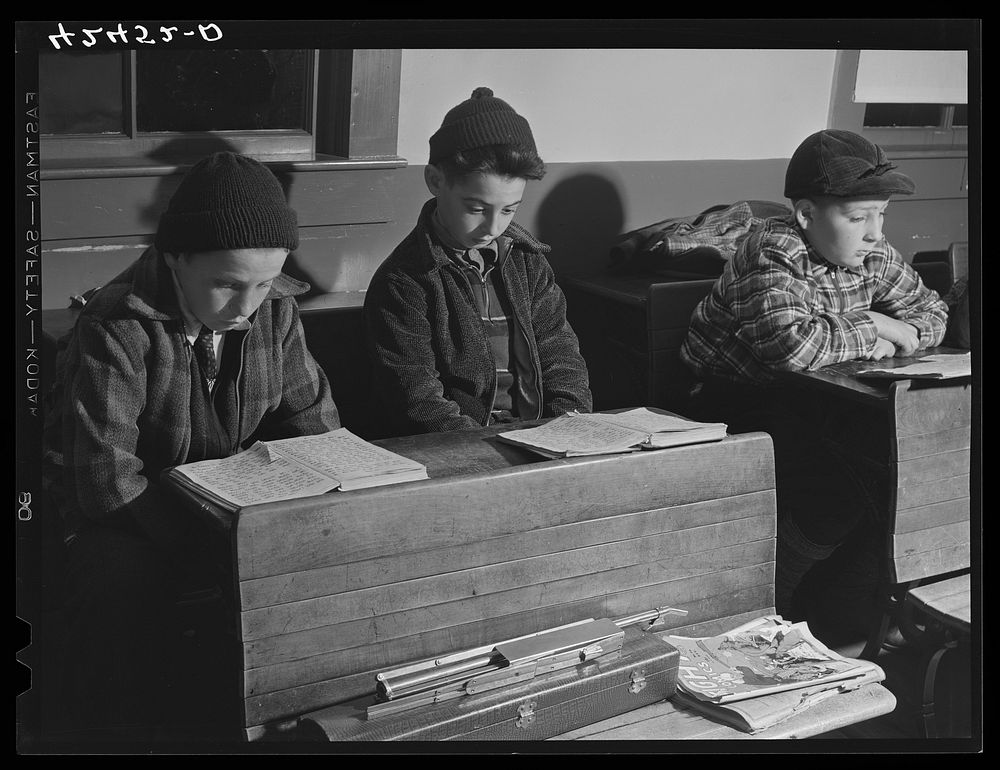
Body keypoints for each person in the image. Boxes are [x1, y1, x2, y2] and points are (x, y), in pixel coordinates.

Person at [41, 151, 340, 742]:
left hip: (228, 509)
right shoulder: (116, 323)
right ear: (175, 257)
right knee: (117, 583)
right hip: (127, 518)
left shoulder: (274, 311)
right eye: (227, 284)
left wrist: (333, 495)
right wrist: (211, 539)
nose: (247, 306)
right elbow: (105, 477)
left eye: (263, 283)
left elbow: (316, 424)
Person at [679, 129, 949, 632]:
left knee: (896, 484)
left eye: (882, 213)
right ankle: (765, 606)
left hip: (820, 403)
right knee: (835, 490)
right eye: (857, 217)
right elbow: (790, 347)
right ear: (806, 214)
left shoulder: (872, 251)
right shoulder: (772, 247)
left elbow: (932, 312)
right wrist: (876, 327)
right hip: (732, 403)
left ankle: (840, 626)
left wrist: (903, 331)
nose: (874, 231)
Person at [364, 87, 592, 436]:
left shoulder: (529, 264)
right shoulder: (405, 280)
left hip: (543, 439)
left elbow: (561, 356)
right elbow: (417, 397)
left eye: (509, 209)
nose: (493, 227)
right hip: (460, 450)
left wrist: (568, 428)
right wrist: (483, 449)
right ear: (435, 181)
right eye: (476, 208)